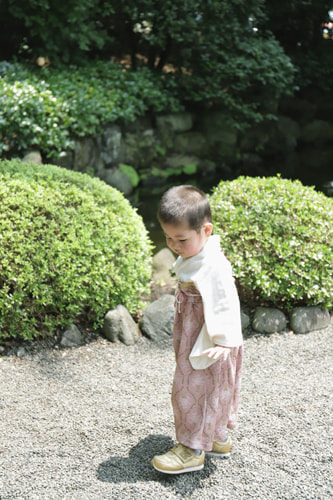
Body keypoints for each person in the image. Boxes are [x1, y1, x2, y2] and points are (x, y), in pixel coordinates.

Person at [151, 185, 243, 474]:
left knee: (194, 387)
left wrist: (225, 341)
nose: (174, 245)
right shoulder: (197, 253)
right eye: (168, 237)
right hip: (194, 329)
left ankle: (192, 449)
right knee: (204, 384)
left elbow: (226, 299)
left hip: (210, 337)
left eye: (181, 238)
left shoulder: (214, 265)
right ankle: (216, 438)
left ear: (206, 230)